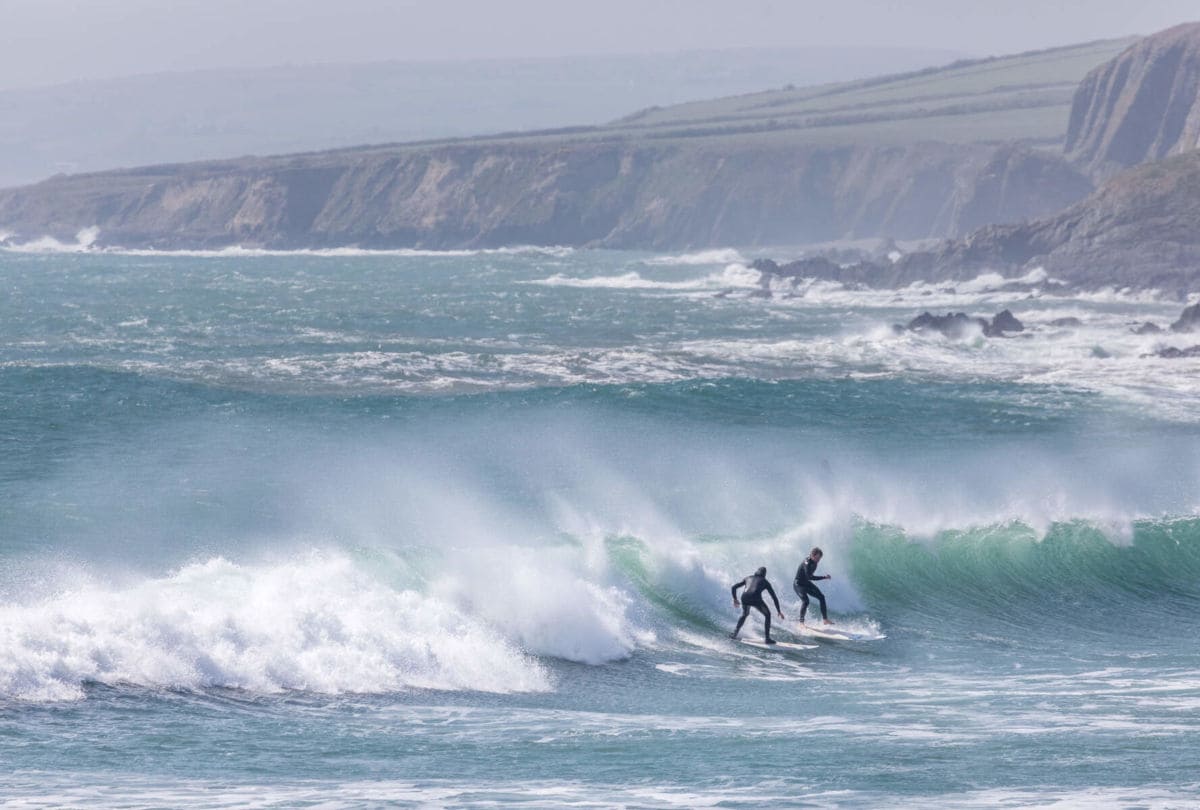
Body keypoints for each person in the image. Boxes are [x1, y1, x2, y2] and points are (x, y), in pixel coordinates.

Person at [730, 566, 785, 644]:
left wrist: (735, 599)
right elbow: (774, 597)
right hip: (755, 599)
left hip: (744, 598)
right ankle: (767, 638)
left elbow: (734, 587)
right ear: (764, 574)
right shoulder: (765, 582)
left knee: (745, 614)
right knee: (768, 615)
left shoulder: (747, 578)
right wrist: (778, 611)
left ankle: (734, 634)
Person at [794, 547, 833, 625]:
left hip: (806, 583)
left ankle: (825, 620)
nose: (818, 560)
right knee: (806, 601)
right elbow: (810, 577)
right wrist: (824, 577)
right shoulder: (807, 563)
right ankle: (801, 623)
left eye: (820, 558)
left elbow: (809, 578)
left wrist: (824, 577)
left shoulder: (815, 562)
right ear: (812, 555)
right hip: (799, 584)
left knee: (821, 597)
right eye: (817, 557)